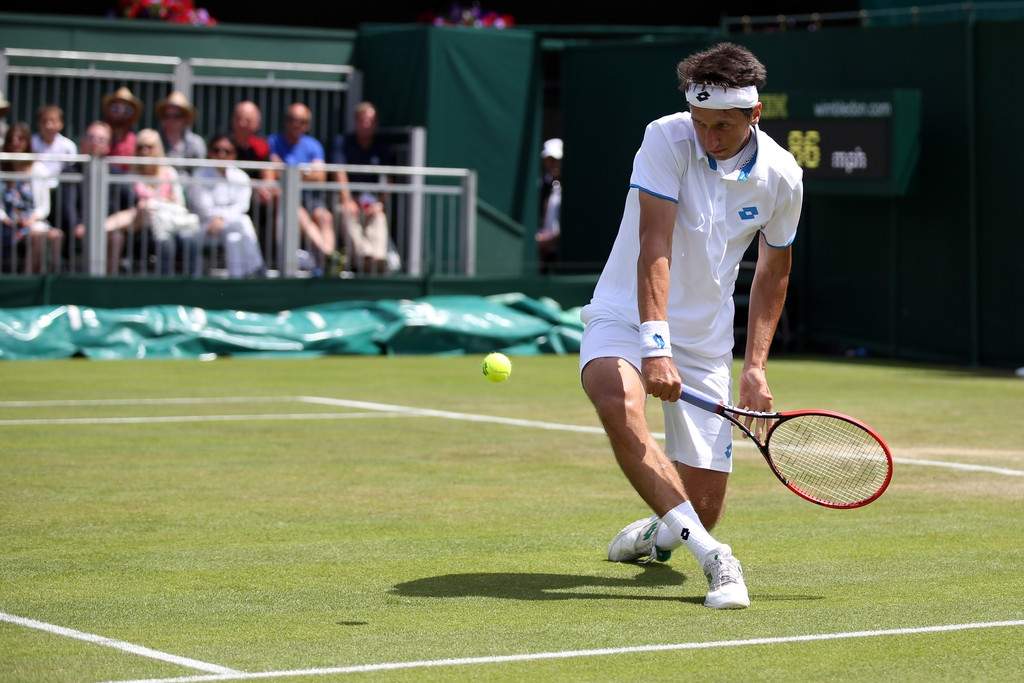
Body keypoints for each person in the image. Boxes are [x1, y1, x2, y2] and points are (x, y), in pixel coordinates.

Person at [579, 43, 803, 609]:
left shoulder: (783, 176)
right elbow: (653, 242)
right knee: (615, 397)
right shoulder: (665, 137)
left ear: (755, 114)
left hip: (705, 342)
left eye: (722, 125)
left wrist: (754, 368)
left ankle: (660, 534)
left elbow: (773, 272)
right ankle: (715, 557)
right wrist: (655, 346)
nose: (708, 137)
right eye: (700, 122)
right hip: (626, 313)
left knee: (702, 506)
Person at [105, 129, 201, 275]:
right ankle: (164, 285)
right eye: (141, 147)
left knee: (189, 240)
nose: (145, 151)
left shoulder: (169, 173)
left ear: (158, 149)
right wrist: (163, 201)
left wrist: (155, 203)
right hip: (143, 229)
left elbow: (179, 204)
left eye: (149, 147)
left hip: (172, 222)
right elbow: (132, 207)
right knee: (165, 243)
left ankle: (193, 284)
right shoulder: (130, 177)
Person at [264, 102, 337, 269]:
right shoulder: (273, 142)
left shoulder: (313, 145)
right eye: (292, 120)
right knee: (297, 211)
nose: (296, 124)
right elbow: (272, 171)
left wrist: (290, 173)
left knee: (325, 217)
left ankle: (328, 260)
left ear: (307, 125)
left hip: (311, 198)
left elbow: (320, 176)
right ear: (285, 122)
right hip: (285, 200)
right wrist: (306, 172)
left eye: (302, 121)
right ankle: (328, 256)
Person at [332, 101, 398, 274]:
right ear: (356, 122)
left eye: (371, 121)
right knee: (347, 213)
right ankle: (365, 258)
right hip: (348, 202)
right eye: (363, 120)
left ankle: (378, 259)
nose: (366, 124)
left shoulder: (382, 147)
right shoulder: (343, 142)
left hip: (371, 203)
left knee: (379, 216)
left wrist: (380, 203)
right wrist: (348, 200)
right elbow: (340, 172)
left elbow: (389, 178)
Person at [188, 133, 265, 278]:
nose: (221, 155)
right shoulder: (199, 175)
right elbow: (203, 207)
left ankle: (236, 278)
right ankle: (257, 268)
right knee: (243, 222)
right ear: (210, 153)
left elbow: (242, 206)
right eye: (217, 150)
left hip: (229, 224)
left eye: (227, 151)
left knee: (233, 238)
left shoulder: (241, 176)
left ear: (234, 155)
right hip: (205, 226)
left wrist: (222, 218)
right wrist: (219, 218)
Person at [1, 122, 60, 273]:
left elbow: (44, 207)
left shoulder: (38, 169)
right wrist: (5, 218)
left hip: (32, 222)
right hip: (6, 224)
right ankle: (26, 280)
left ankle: (44, 280)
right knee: (36, 236)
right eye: (11, 139)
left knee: (54, 236)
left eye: (20, 139)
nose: (15, 143)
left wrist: (31, 219)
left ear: (27, 142)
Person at [31, 105, 78, 185]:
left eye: (53, 121)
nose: (48, 126)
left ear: (61, 124)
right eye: (44, 121)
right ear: (38, 124)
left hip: (62, 187)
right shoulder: (31, 143)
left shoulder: (68, 146)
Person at [156, 91, 206, 163]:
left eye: (176, 116)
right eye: (167, 115)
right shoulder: (154, 141)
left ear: (186, 118)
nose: (171, 120)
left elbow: (199, 168)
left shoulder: (196, 143)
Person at [536, 137, 562, 273]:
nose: (552, 164)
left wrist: (551, 239)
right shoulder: (542, 186)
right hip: (543, 255)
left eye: (556, 160)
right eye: (549, 160)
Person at [101, 86, 143, 170]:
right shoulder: (99, 137)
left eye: (127, 110)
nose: (121, 113)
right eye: (115, 108)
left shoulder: (135, 142)